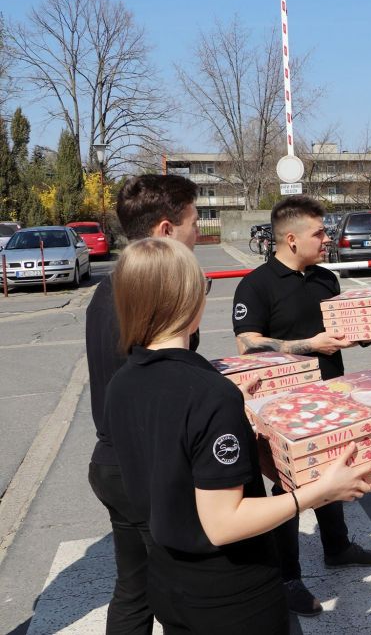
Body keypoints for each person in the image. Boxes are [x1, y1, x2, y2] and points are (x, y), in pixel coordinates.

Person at [106, 238, 371, 634]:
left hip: (167, 577)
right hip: (232, 594)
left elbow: (170, 455)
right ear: (187, 301)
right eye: (203, 285)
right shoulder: (208, 393)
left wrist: (236, 416)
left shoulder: (124, 381)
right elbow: (223, 523)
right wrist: (320, 491)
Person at [231, 195, 371, 617]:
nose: (328, 239)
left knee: (332, 470)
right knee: (289, 489)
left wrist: (361, 329)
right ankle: (287, 579)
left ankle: (337, 547)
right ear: (291, 238)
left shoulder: (325, 279)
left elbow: (339, 329)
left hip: (332, 395)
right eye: (319, 233)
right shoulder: (256, 285)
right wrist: (307, 346)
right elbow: (246, 344)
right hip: (282, 407)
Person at [86, 174, 201, 635]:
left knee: (134, 590)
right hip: (148, 467)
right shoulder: (147, 297)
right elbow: (164, 391)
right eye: (195, 222)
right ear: (167, 230)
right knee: (182, 593)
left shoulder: (111, 288)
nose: (199, 234)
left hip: (114, 461)